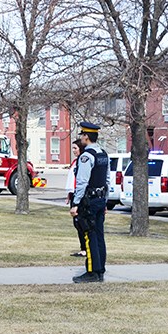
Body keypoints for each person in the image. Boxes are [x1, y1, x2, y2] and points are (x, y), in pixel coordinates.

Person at [70, 121, 111, 283]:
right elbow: (107, 180)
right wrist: (106, 201)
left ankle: (92, 271)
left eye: (82, 135)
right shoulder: (103, 154)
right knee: (99, 236)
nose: (81, 138)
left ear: (86, 137)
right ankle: (100, 269)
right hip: (100, 199)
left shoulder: (86, 156)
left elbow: (82, 182)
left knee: (89, 236)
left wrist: (75, 204)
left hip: (89, 201)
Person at [66, 139, 88, 258]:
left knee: (81, 222)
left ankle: (85, 248)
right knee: (76, 223)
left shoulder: (83, 161)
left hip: (79, 195)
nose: (73, 151)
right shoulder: (75, 161)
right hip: (73, 194)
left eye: (75, 148)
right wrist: (69, 195)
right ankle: (83, 248)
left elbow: (81, 181)